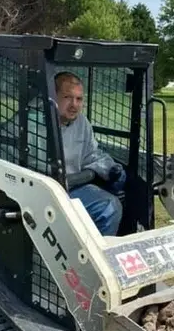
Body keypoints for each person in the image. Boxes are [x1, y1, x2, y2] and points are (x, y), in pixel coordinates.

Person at [54, 71, 126, 236]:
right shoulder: (33, 122)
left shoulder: (81, 122)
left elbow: (92, 154)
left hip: (72, 188)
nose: (74, 105)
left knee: (119, 181)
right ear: (53, 96)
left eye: (79, 99)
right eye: (67, 97)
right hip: (44, 193)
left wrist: (109, 167)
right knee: (108, 207)